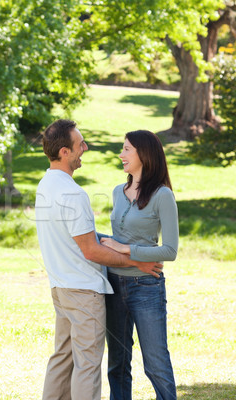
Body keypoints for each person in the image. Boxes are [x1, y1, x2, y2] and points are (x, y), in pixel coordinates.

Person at [34, 120, 164, 400]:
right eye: (80, 144)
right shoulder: (73, 193)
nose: (85, 148)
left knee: (62, 359)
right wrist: (137, 262)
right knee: (87, 366)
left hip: (61, 288)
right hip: (83, 293)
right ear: (66, 152)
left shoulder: (46, 184)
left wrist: (118, 245)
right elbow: (91, 250)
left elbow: (83, 239)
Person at [100, 130, 179, 400]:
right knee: (117, 364)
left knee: (155, 364)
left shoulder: (162, 195)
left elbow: (169, 250)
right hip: (113, 283)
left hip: (145, 286)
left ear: (143, 154)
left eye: (126, 149)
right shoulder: (117, 192)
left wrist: (125, 249)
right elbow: (112, 239)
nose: (121, 154)